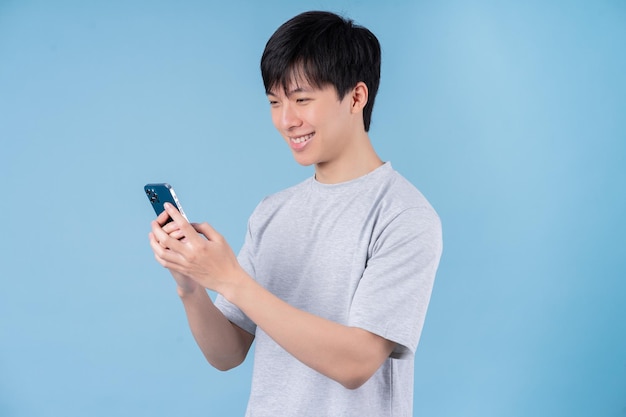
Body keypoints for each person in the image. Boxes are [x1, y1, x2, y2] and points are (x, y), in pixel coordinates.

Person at [149, 10, 442, 417]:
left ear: (357, 97)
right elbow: (227, 352)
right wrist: (192, 284)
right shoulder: (272, 213)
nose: (287, 120)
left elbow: (356, 362)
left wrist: (229, 279)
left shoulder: (404, 214)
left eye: (302, 99)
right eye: (275, 102)